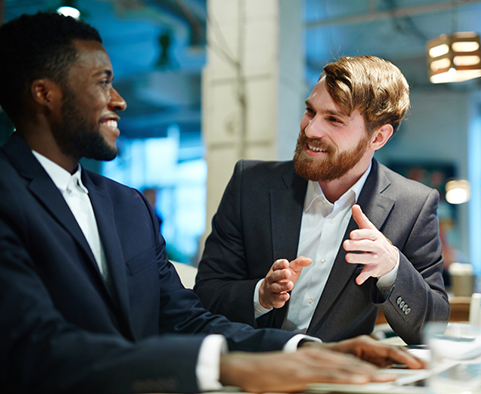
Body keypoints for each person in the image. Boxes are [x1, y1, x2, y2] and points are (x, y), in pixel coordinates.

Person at [0, 12, 425, 394]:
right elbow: (33, 346)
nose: (119, 99)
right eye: (102, 81)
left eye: (333, 119)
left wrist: (303, 349)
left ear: (378, 138)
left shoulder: (126, 205)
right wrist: (225, 367)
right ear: (44, 94)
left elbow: (184, 317)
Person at [194, 56, 450, 345]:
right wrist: (260, 296)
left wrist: (392, 269)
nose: (311, 129)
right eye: (310, 111)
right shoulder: (249, 184)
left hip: (338, 377)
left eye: (333, 119)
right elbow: (205, 294)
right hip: (253, 372)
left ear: (378, 137)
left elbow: (433, 329)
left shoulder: (412, 206)